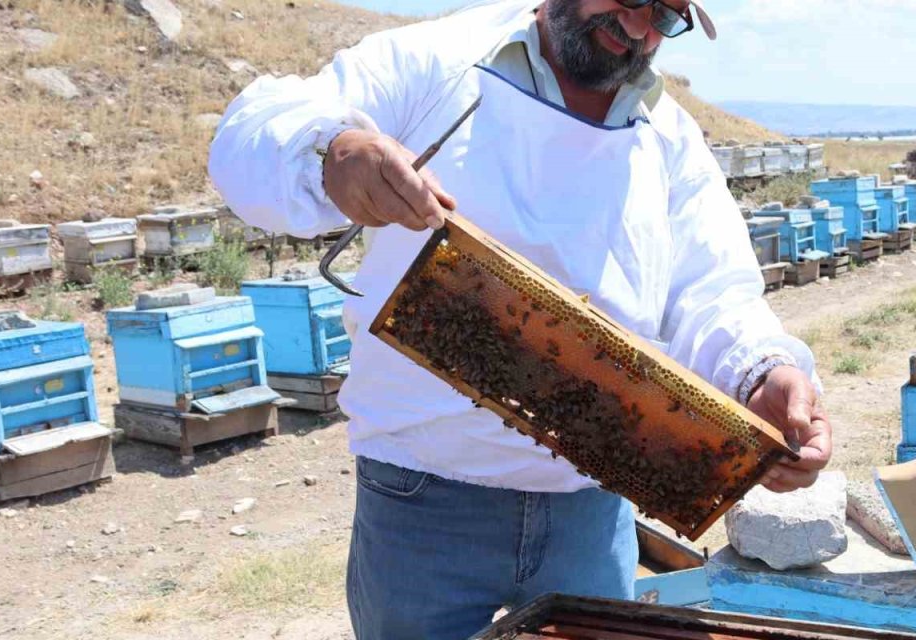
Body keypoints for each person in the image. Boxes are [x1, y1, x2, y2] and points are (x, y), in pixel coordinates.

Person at [208, 1, 832, 637]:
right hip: (423, 501)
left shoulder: (669, 136)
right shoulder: (434, 64)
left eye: (666, 17)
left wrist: (763, 372)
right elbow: (247, 138)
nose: (642, 29)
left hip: (590, 511)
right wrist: (334, 153)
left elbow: (713, 290)